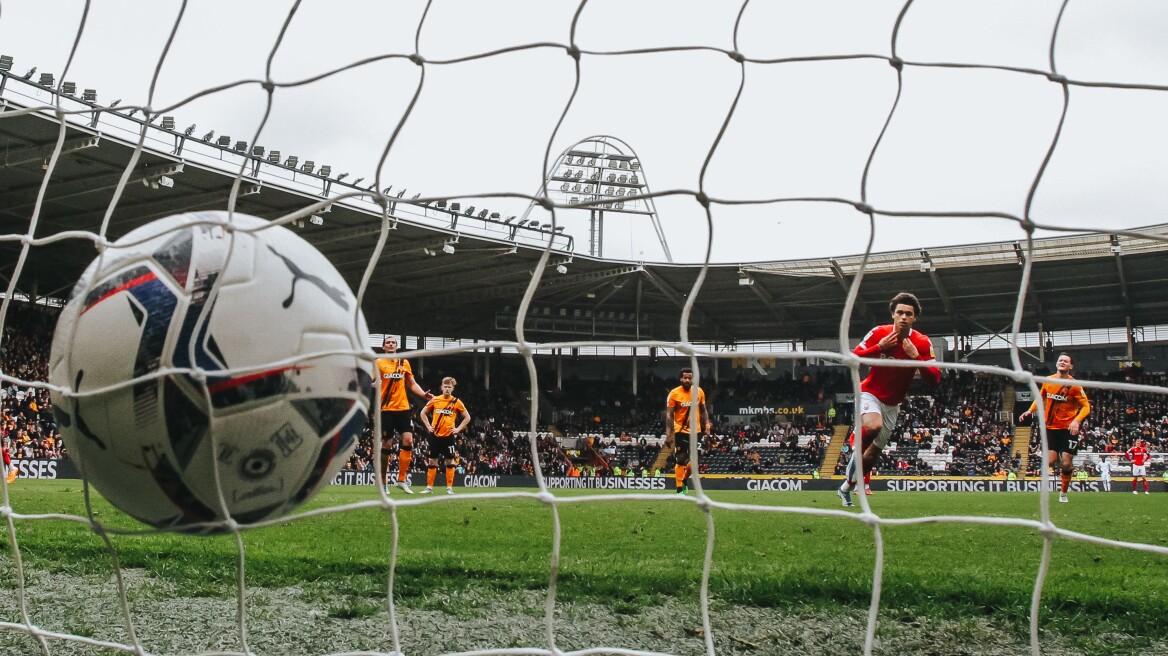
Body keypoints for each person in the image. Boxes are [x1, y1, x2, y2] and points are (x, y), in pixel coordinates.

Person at [838, 292, 940, 507]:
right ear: (893, 314)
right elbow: (852, 359)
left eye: (909, 314)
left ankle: (846, 487)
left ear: (914, 318)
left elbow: (935, 379)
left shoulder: (922, 342)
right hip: (870, 392)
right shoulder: (879, 333)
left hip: (893, 403)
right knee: (873, 426)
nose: (904, 317)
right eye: (900, 312)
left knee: (872, 455)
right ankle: (856, 445)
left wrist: (916, 358)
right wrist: (879, 348)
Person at [1018, 353, 1090, 504]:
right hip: (1050, 427)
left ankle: (1063, 493)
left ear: (1071, 366)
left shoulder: (1074, 385)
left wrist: (1077, 421)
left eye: (1066, 361)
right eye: (1060, 360)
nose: (1062, 362)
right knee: (1049, 461)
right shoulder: (1048, 381)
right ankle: (1059, 455)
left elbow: (1086, 407)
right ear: (1057, 363)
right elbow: (1040, 397)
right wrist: (1029, 411)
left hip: (1068, 429)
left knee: (1066, 463)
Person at [374, 335, 433, 494]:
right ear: (384, 347)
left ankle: (401, 480)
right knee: (387, 444)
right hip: (386, 408)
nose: (391, 344)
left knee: (408, 440)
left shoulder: (404, 362)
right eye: (388, 343)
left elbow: (411, 383)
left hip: (403, 408)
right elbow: (369, 381)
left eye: (393, 342)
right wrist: (373, 384)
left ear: (397, 346)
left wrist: (423, 395)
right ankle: (383, 482)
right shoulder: (378, 362)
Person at [420, 377, 471, 495]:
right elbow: (423, 413)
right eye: (445, 386)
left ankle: (449, 487)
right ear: (441, 387)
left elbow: (467, 417)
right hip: (435, 436)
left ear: (452, 388)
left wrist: (458, 429)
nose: (447, 389)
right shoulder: (435, 400)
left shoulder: (456, 402)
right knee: (432, 461)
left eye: (449, 387)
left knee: (450, 461)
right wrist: (428, 426)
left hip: (449, 437)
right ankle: (429, 487)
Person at [664, 367, 711, 496]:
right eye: (685, 377)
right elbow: (669, 415)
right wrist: (669, 434)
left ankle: (684, 480)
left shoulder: (699, 392)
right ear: (681, 379)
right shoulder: (674, 393)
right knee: (681, 457)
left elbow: (703, 410)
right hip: (680, 430)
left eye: (690, 378)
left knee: (695, 462)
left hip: (696, 431)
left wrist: (707, 427)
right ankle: (679, 489)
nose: (687, 380)